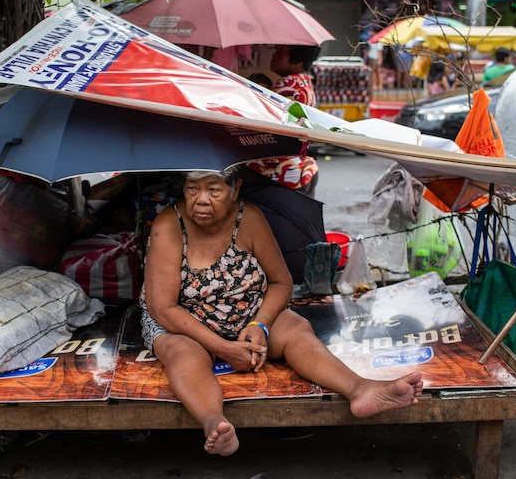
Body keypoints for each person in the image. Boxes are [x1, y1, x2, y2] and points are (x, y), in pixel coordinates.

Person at [140, 168, 424, 456]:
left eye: (213, 190)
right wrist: (224, 348)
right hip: (182, 320)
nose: (201, 200)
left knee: (295, 328)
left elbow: (281, 281)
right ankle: (214, 421)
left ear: (235, 189)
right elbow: (163, 308)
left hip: (245, 312)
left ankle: (360, 389)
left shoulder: (248, 218)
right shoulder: (169, 224)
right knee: (183, 354)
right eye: (192, 189)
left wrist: (260, 324)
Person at [246, 45, 320, 196]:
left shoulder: (288, 85)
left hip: (283, 171)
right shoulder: (304, 82)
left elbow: (267, 123)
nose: (274, 54)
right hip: (301, 167)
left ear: (298, 59)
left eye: (281, 51)